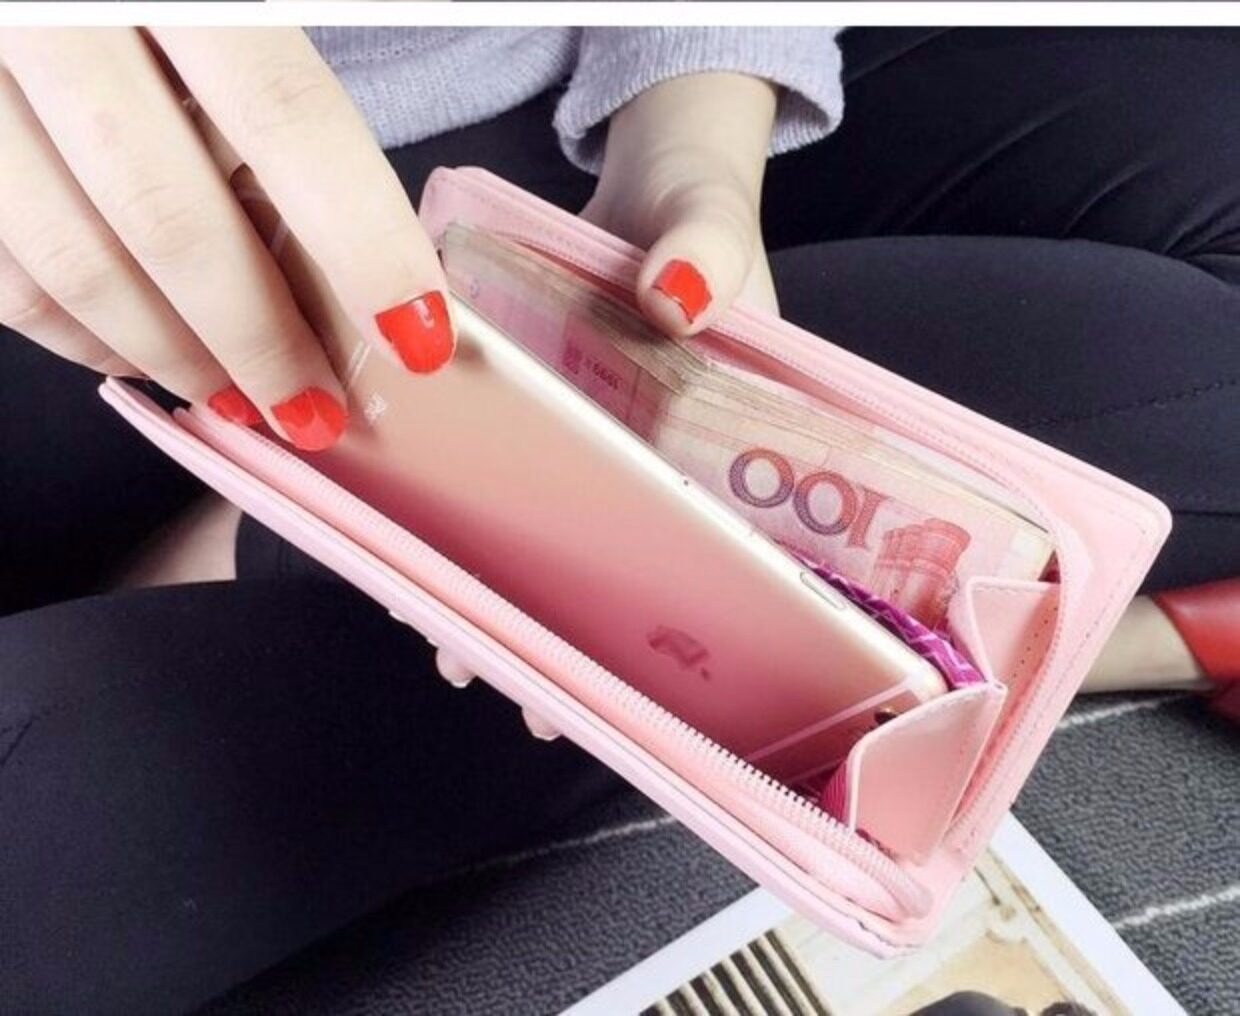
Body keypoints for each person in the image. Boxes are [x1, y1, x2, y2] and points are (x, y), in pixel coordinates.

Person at [1, 26, 1236, 1013]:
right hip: (65, 248)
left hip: (567, 93)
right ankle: (1000, 675)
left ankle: (291, 536)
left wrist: (689, 141)